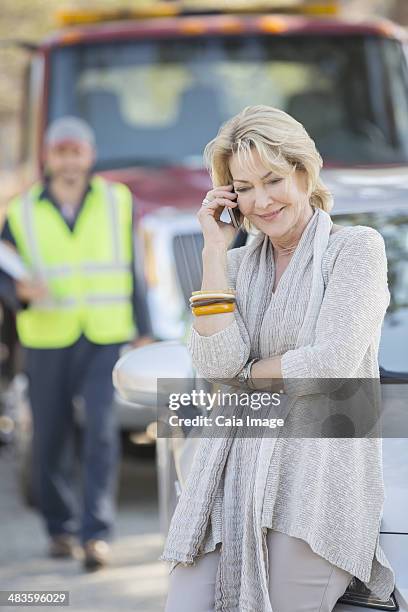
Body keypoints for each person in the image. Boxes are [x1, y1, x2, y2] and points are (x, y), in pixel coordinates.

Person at [160, 105, 396, 611]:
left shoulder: (355, 250)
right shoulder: (237, 266)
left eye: (272, 179)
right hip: (229, 477)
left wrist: (248, 375)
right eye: (244, 188)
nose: (261, 201)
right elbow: (216, 362)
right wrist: (214, 253)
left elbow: (331, 364)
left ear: (305, 172)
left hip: (319, 481)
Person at [0, 116, 154, 571]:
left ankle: (96, 534)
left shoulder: (116, 201)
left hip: (105, 334)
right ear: (49, 157)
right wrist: (18, 293)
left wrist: (142, 327)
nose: (69, 160)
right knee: (50, 436)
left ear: (89, 156)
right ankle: (60, 528)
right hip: (47, 337)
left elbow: (134, 269)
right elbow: (5, 271)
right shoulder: (22, 210)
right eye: (61, 152)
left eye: (76, 151)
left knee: (102, 432)